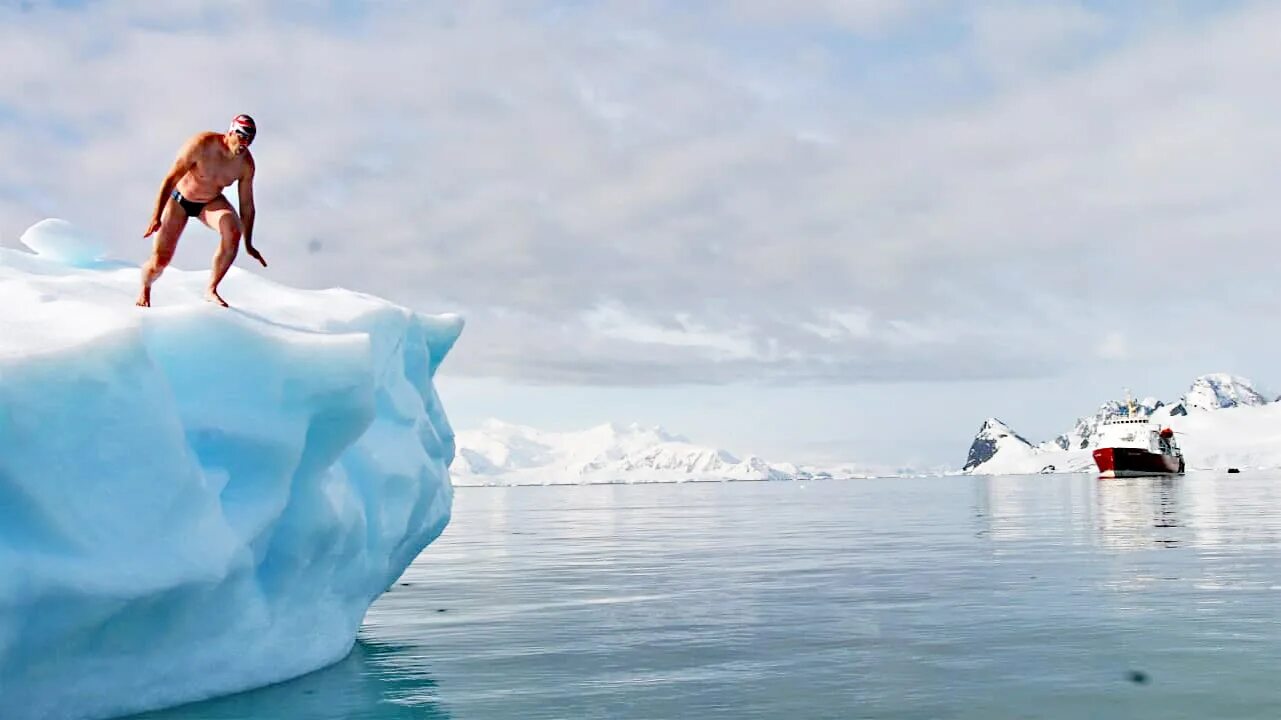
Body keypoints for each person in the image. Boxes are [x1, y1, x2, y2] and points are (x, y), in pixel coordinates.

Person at [137, 114, 267, 308]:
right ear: (230, 132)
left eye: (250, 139)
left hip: (210, 202)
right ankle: (145, 289)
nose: (244, 143)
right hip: (180, 200)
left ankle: (211, 289)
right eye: (241, 136)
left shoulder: (245, 164)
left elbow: (247, 205)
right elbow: (170, 179)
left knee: (233, 230)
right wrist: (156, 217)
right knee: (160, 261)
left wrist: (248, 243)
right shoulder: (202, 144)